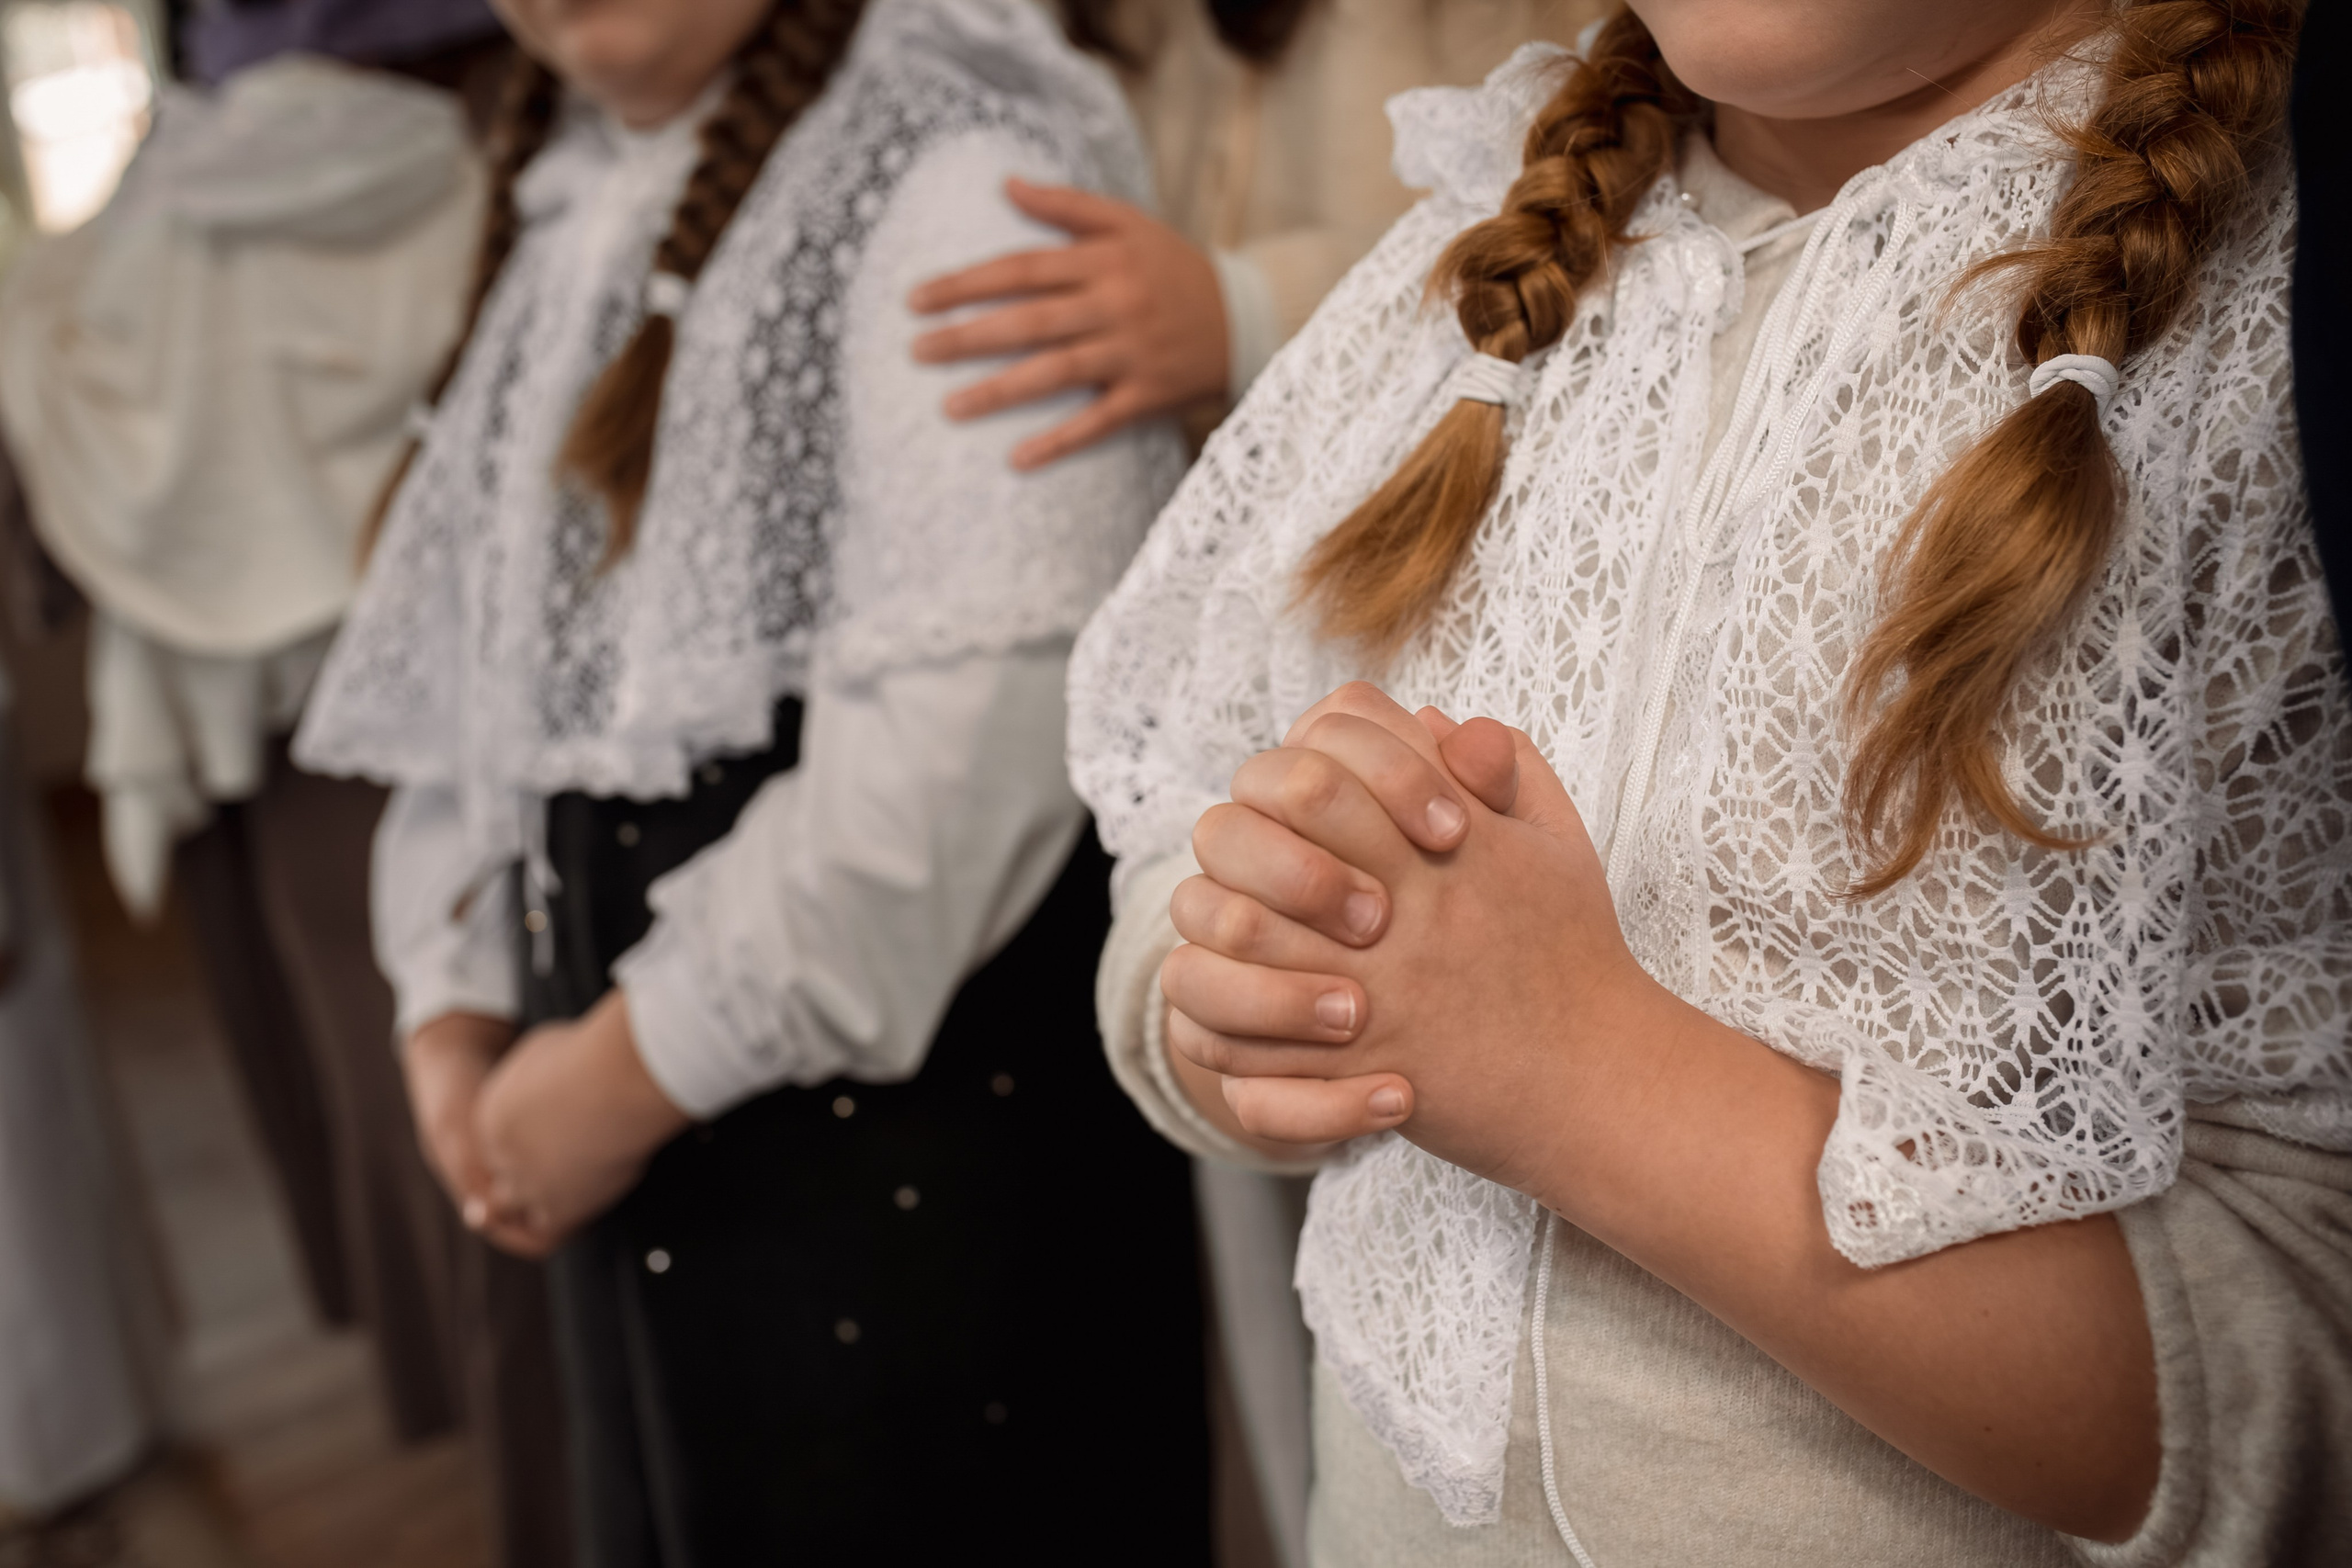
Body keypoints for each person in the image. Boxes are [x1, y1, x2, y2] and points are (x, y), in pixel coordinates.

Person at [1071, 0, 2352, 1562]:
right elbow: (1178, 823)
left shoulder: (2263, 343)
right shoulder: (1477, 264)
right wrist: (1244, 1000)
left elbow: (2305, 1369)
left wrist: (1578, 1071)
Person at [294, 0, 1208, 1561]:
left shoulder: (951, 182)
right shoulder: (575, 198)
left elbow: (950, 786)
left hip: (909, 1186)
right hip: (630, 1148)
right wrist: (448, 1003)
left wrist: (611, 1079)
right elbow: (487, 694)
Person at [0, 34, 487, 1463]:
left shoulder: (463, 165)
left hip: (401, 683)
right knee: (397, 1037)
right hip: (327, 705)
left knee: (412, 1028)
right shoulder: (224, 203)